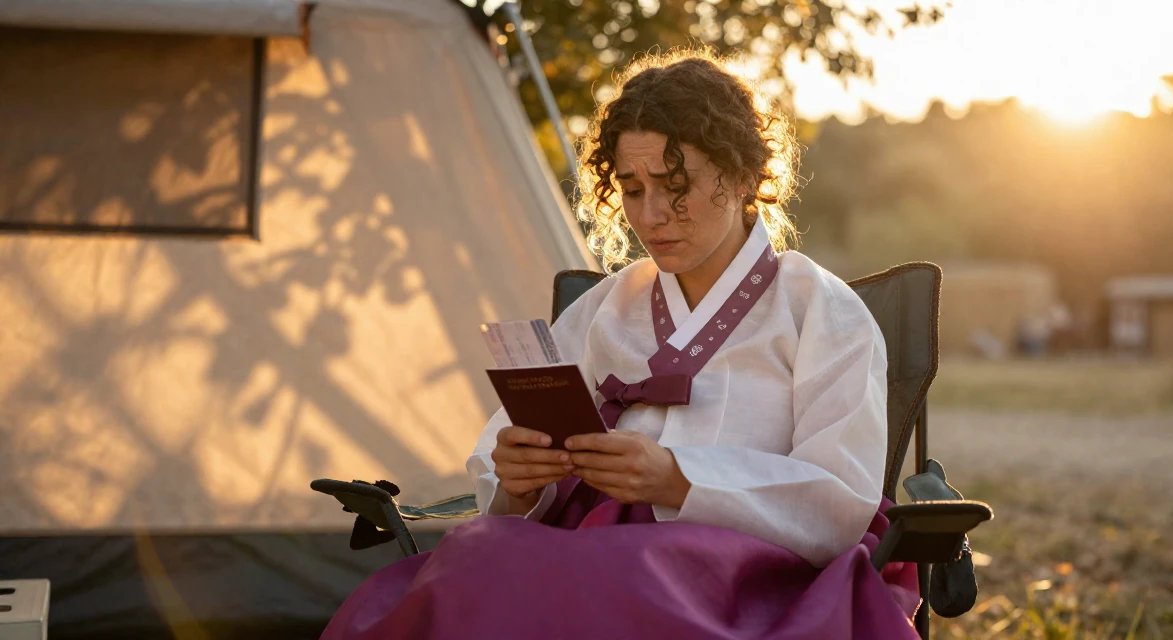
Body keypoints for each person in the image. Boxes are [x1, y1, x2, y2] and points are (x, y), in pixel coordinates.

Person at [321, 50, 919, 640]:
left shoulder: (821, 311)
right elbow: (508, 478)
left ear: (740, 177)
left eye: (674, 185)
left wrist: (679, 479)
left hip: (742, 577)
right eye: (632, 189)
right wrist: (520, 482)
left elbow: (840, 503)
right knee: (476, 557)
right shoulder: (605, 309)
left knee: (598, 577)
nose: (651, 214)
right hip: (582, 554)